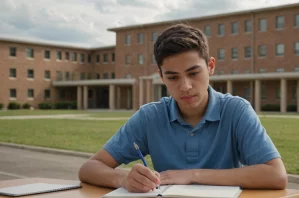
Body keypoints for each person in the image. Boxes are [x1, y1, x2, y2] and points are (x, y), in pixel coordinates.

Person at [78, 23, 288, 192]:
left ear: (211, 67)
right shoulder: (150, 116)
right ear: (161, 76)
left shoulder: (236, 111)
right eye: (173, 77)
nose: (185, 86)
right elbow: (89, 168)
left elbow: (276, 175)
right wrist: (123, 178)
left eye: (193, 73)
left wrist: (191, 175)